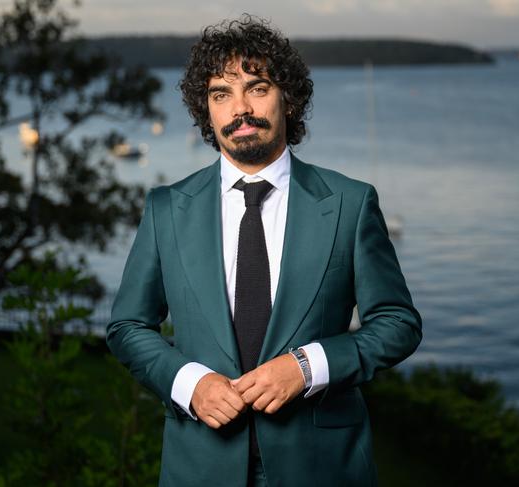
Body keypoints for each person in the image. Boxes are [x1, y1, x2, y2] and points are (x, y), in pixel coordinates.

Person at [106, 15, 422, 487]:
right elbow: (128, 327)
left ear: (288, 99)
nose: (240, 109)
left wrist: (308, 366)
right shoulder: (166, 208)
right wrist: (190, 384)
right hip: (201, 465)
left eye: (257, 88)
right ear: (206, 112)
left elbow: (398, 324)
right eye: (220, 95)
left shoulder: (350, 204)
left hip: (322, 466)